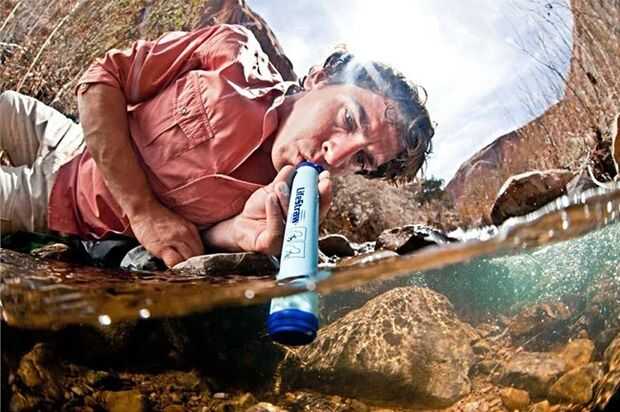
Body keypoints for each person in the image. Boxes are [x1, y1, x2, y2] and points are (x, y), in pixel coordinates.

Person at [0, 24, 434, 268]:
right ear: (319, 79)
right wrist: (143, 211)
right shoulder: (232, 49)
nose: (335, 156)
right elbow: (103, 78)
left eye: (361, 159)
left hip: (60, 200)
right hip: (70, 136)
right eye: (349, 119)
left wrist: (244, 235)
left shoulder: (282, 202)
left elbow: (200, 239)